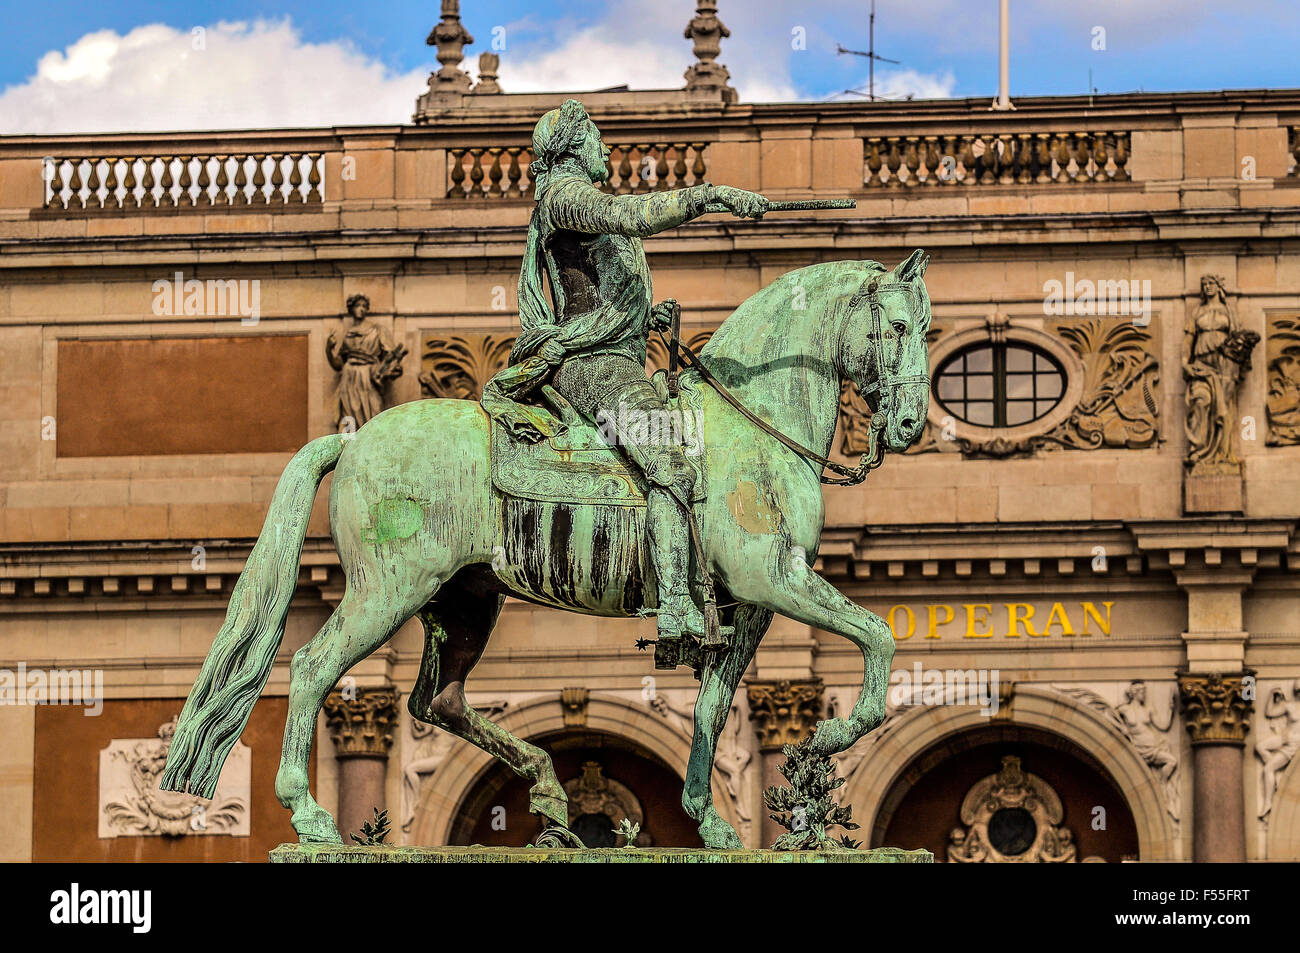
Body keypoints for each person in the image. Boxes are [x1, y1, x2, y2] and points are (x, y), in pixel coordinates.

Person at [482, 98, 767, 646]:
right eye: (596, 138)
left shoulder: (571, 199)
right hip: (589, 367)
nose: (606, 149)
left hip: (610, 355)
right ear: (571, 145)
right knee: (671, 455)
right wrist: (709, 196)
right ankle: (676, 607)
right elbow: (630, 216)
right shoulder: (566, 198)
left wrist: (640, 318)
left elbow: (596, 292)